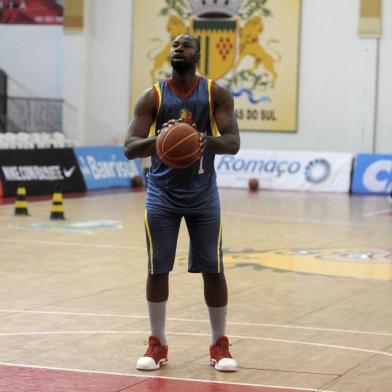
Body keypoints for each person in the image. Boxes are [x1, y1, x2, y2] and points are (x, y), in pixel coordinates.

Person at [124, 34, 240, 372]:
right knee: (157, 267)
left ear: (197, 53)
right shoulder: (153, 96)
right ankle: (156, 343)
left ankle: (220, 344)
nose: (178, 48)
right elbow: (130, 147)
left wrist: (202, 140)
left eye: (186, 45)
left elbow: (232, 142)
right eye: (174, 44)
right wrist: (159, 139)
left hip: (203, 195)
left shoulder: (215, 93)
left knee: (213, 268)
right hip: (162, 194)